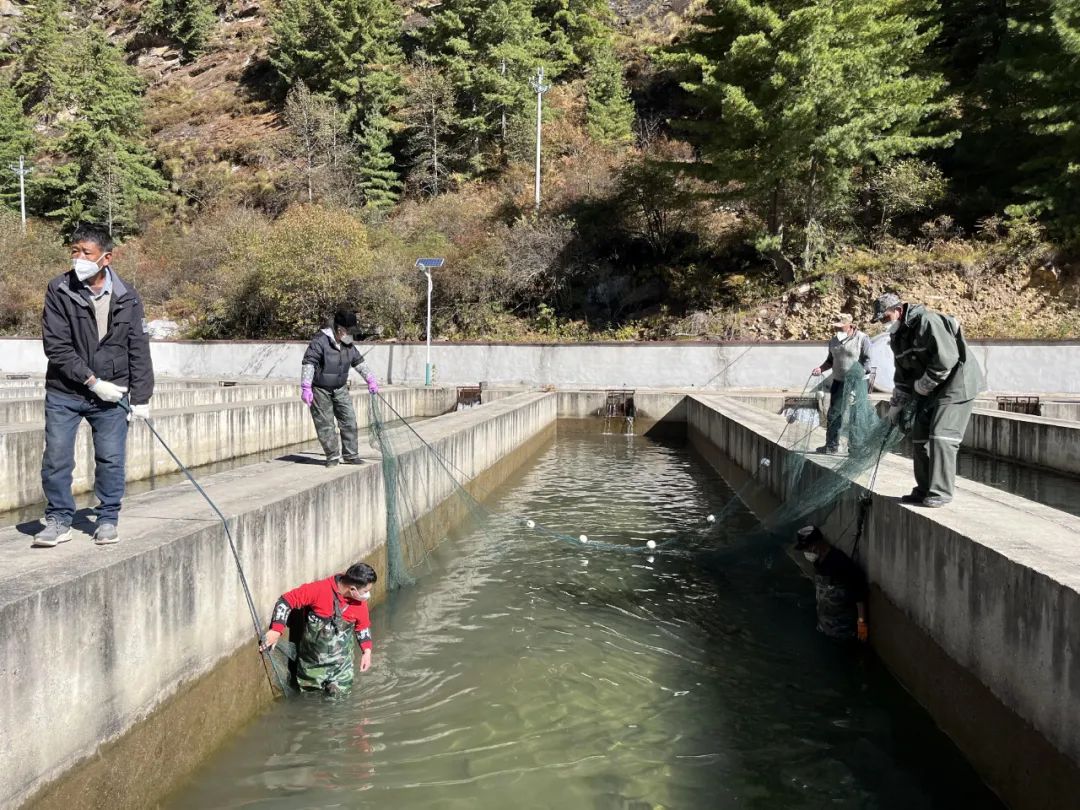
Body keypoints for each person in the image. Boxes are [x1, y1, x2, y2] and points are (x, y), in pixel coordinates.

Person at [33, 224, 154, 548]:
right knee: (57, 457)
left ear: (106, 258)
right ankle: (59, 519)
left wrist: (141, 398)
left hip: (112, 394)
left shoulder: (127, 297)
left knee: (111, 458)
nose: (78, 258)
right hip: (66, 391)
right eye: (74, 251)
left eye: (86, 252)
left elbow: (138, 348)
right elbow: (56, 346)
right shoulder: (59, 289)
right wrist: (92, 381)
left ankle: (108, 517)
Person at [874, 292, 983, 507]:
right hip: (929, 388)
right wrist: (895, 407)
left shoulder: (928, 322)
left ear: (898, 310)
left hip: (956, 385)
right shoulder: (897, 337)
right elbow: (903, 376)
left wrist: (922, 386)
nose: (883, 323)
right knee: (919, 435)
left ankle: (940, 491)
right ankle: (923, 489)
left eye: (885, 318)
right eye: (880, 320)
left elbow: (946, 361)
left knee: (942, 435)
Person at [261, 562, 377, 694]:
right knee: (310, 700)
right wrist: (276, 629)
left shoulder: (360, 603)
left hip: (341, 669)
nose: (367, 595)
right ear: (352, 589)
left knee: (339, 703)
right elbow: (286, 601)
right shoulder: (319, 590)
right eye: (366, 591)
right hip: (311, 667)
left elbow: (362, 627)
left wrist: (366, 651)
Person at [301, 309, 380, 467]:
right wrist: (306, 386)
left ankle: (351, 455)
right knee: (326, 424)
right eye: (349, 331)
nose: (351, 335)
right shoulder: (320, 341)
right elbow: (309, 362)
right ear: (339, 330)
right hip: (320, 389)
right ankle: (332, 456)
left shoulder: (348, 345)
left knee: (349, 420)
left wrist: (370, 379)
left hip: (340, 387)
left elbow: (358, 362)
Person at [794, 525, 868, 643]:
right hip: (825, 626)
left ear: (815, 545)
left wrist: (861, 622)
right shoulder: (818, 561)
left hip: (842, 631)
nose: (807, 552)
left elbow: (859, 593)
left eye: (807, 548)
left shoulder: (839, 562)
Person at [811, 313, 872, 454]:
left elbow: (868, 361)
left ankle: (856, 447)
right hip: (839, 382)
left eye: (841, 327)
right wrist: (821, 368)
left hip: (858, 382)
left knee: (855, 415)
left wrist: (859, 374)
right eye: (836, 327)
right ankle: (831, 446)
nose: (837, 330)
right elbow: (830, 361)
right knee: (834, 414)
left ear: (850, 326)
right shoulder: (833, 341)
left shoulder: (862, 338)